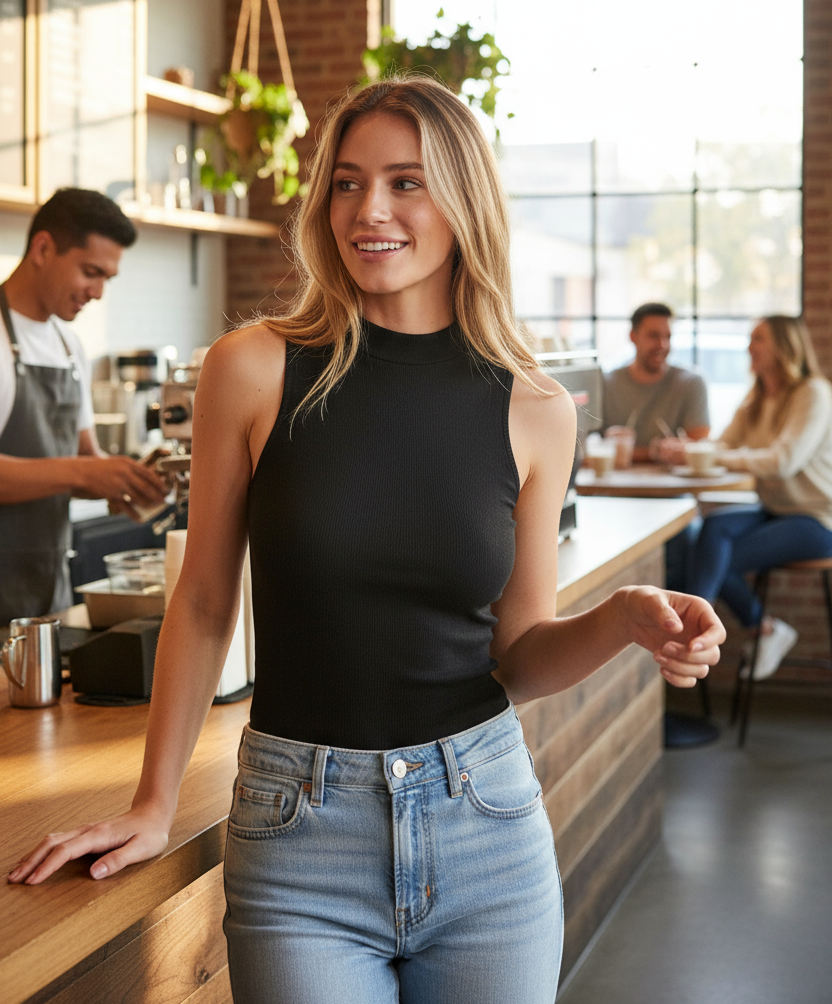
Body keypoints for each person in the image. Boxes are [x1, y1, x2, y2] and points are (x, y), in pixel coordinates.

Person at [9, 79, 725, 1004]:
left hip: (487, 826)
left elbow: (521, 655)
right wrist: (153, 803)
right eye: (347, 184)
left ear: (465, 200)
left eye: (405, 183)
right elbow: (204, 602)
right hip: (297, 834)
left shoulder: (537, 409)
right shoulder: (253, 368)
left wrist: (623, 618)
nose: (369, 211)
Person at [0, 188, 168, 625]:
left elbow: (85, 459)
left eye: (106, 279)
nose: (96, 292)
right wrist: (85, 471)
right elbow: (77, 468)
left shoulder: (70, 348)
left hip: (46, 593)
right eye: (90, 272)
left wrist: (132, 479)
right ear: (43, 248)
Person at [682, 315, 832, 681]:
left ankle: (688, 635)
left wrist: (713, 456)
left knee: (718, 557)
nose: (750, 347)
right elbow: (723, 445)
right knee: (711, 530)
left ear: (784, 345)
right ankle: (761, 628)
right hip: (776, 510)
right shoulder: (757, 397)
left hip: (818, 519)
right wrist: (687, 450)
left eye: (758, 339)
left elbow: (783, 461)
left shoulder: (812, 393)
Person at [603, 302, 710, 461]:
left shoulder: (690, 382)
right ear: (633, 336)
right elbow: (584, 451)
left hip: (673, 484)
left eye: (667, 336)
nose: (662, 345)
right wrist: (655, 452)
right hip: (612, 484)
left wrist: (628, 453)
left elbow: (700, 448)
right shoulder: (606, 384)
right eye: (653, 336)